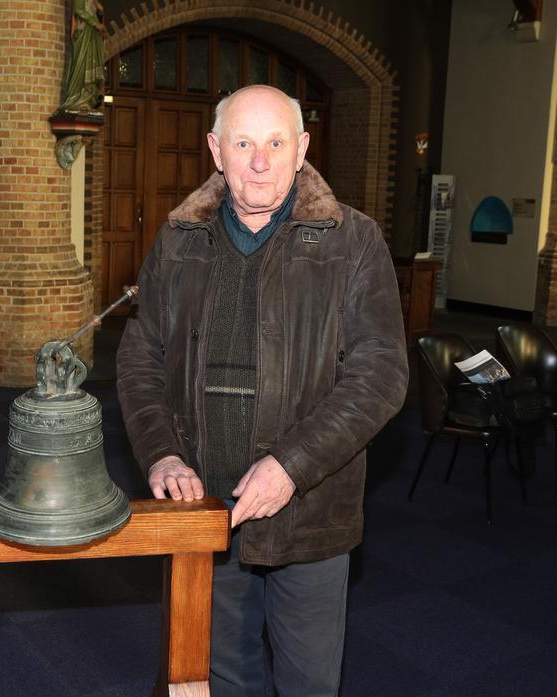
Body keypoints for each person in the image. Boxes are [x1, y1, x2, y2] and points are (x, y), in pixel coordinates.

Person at [116, 84, 408, 697]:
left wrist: (290, 467)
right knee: (214, 678)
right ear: (215, 151)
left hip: (311, 514)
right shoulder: (178, 240)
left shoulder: (353, 242)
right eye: (243, 143)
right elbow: (141, 355)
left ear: (301, 149)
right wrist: (160, 452)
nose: (259, 161)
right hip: (204, 510)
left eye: (275, 143)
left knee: (308, 681)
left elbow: (380, 376)